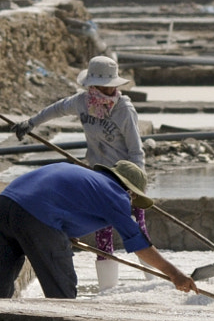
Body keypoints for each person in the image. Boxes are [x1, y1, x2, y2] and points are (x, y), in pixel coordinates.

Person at [15, 54, 145, 289]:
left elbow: (136, 151)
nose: (107, 92)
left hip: (125, 176)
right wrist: (31, 123)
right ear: (91, 85)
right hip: (97, 175)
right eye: (102, 87)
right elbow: (56, 109)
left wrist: (136, 188)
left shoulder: (124, 109)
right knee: (102, 231)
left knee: (137, 228)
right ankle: (108, 289)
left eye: (110, 87)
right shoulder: (82, 102)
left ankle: (154, 280)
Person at [0, 159, 198, 301]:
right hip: (38, 216)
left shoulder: (91, 180)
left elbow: (60, 202)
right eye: (133, 197)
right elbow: (139, 243)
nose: (131, 201)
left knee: (0, 281)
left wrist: (64, 234)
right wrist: (175, 274)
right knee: (62, 290)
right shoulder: (116, 195)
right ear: (130, 191)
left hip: (5, 204)